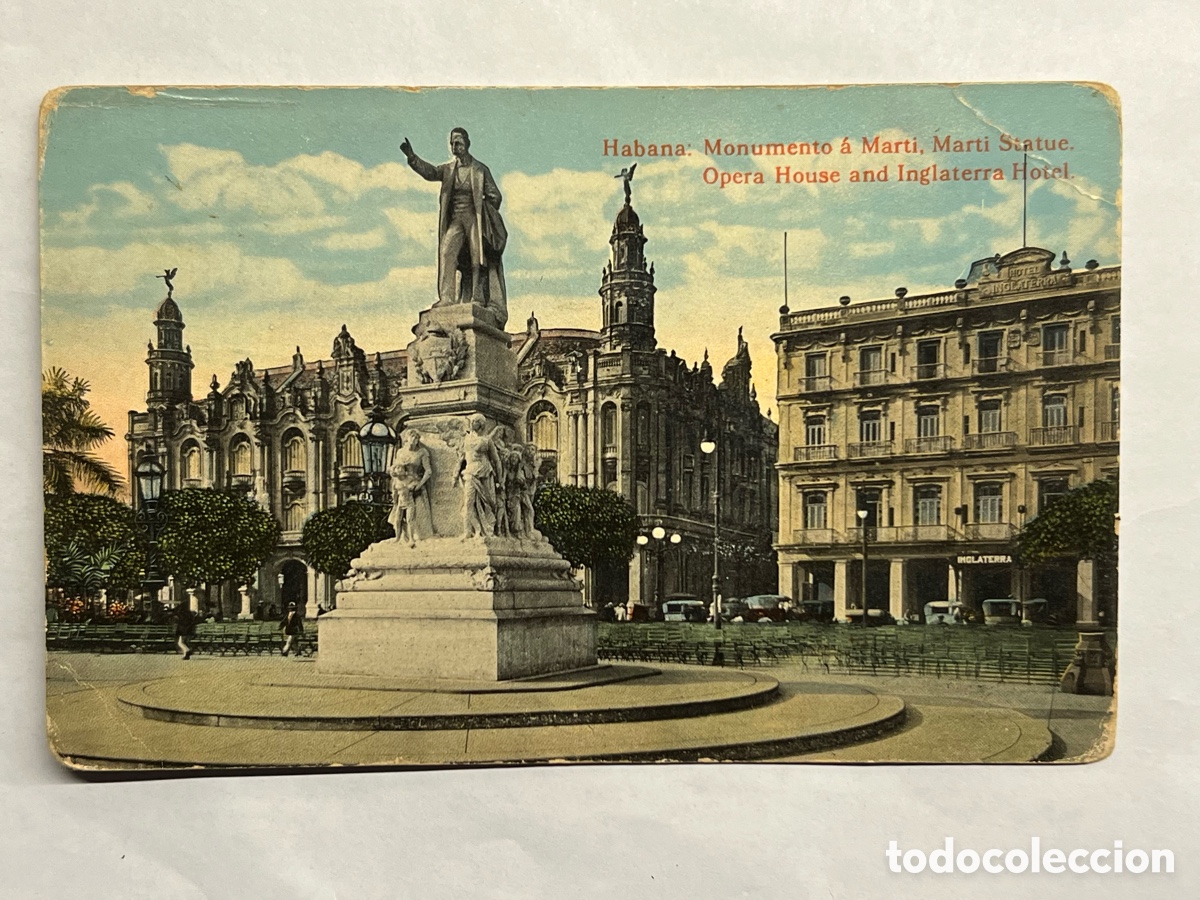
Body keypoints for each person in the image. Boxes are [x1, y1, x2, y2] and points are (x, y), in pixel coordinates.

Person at [400, 128, 508, 327]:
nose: (454, 147)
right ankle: (447, 298)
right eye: (452, 143)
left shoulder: (480, 170)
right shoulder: (449, 170)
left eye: (457, 142)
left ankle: (477, 297)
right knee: (447, 252)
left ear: (467, 143)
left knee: (478, 259)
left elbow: (495, 196)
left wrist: (485, 211)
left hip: (474, 219)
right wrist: (412, 158)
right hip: (456, 220)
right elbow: (431, 172)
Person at [458, 414, 504, 538]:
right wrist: (454, 474)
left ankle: (485, 529)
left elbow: (496, 460)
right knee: (468, 502)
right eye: (472, 421)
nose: (472, 423)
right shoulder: (466, 439)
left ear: (481, 424)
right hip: (470, 472)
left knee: (487, 503)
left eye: (475, 421)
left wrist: (500, 480)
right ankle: (469, 530)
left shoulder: (486, 440)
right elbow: (461, 458)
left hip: (484, 473)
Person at [388, 428, 434, 545]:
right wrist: (395, 478)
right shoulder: (400, 452)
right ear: (406, 438)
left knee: (416, 514)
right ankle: (401, 536)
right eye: (412, 436)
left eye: (417, 437)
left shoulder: (422, 452)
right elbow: (396, 468)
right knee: (398, 515)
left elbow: (428, 471)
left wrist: (419, 485)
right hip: (402, 486)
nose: (414, 439)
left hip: (415, 485)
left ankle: (417, 537)